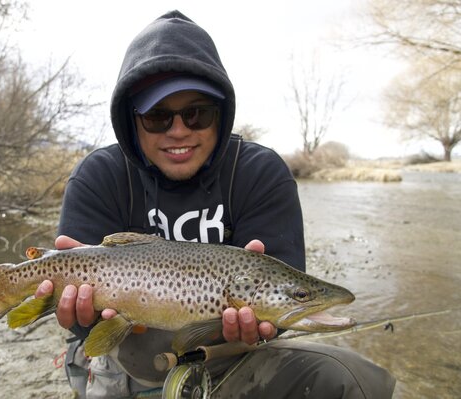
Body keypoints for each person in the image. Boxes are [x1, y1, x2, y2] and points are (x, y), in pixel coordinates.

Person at [36, 10, 396, 398]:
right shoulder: (99, 176)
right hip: (126, 361)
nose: (179, 131)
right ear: (132, 119)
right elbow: (80, 323)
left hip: (237, 355)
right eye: (158, 116)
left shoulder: (260, 172)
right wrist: (78, 319)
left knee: (353, 379)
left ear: (221, 115)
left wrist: (272, 325)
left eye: (197, 114)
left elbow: (280, 317)